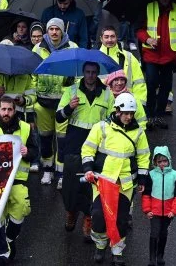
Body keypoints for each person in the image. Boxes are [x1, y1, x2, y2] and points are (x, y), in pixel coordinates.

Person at [82, 93, 150, 266]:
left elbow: (143, 157)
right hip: (102, 182)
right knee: (98, 216)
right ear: (117, 111)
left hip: (125, 184)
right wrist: (88, 169)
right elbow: (88, 150)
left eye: (131, 113)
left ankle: (117, 250)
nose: (129, 117)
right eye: (125, 113)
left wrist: (142, 179)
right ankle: (100, 245)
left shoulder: (138, 132)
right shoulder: (101, 127)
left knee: (121, 219)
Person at [56, 62, 113, 234]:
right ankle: (71, 212)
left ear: (97, 73)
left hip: (97, 145)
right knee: (71, 184)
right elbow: (59, 117)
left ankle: (89, 217)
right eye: (87, 72)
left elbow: (112, 118)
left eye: (93, 72)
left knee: (92, 183)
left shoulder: (107, 93)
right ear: (83, 72)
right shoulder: (71, 91)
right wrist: (69, 107)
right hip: (74, 143)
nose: (90, 75)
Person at [0, 97, 37, 264]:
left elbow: (35, 152)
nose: (6, 113)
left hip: (17, 180)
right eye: (3, 109)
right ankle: (1, 255)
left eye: (9, 109)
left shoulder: (26, 128)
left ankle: (9, 238)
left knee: (21, 209)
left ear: (14, 111)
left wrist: (28, 152)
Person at [33, 18, 79, 186]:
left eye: (57, 29)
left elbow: (78, 75)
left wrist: (71, 88)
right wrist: (33, 99)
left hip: (63, 104)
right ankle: (47, 170)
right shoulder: (38, 49)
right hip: (43, 103)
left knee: (62, 140)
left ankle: (61, 174)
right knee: (45, 138)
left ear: (62, 31)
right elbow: (32, 75)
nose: (54, 32)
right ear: (47, 31)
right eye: (51, 29)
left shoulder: (72, 47)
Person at [136, 0, 176, 129]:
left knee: (166, 87)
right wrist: (148, 39)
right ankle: (150, 115)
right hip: (151, 55)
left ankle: (159, 115)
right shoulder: (149, 7)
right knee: (151, 84)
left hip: (169, 57)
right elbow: (139, 29)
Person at [141, 146, 176, 266]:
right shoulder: (151, 175)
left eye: (165, 161)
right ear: (155, 162)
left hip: (168, 212)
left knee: (163, 234)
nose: (162, 164)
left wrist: (174, 211)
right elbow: (146, 194)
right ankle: (152, 259)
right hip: (154, 212)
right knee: (154, 233)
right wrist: (147, 210)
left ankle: (160, 256)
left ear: (169, 160)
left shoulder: (175, 175)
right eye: (159, 161)